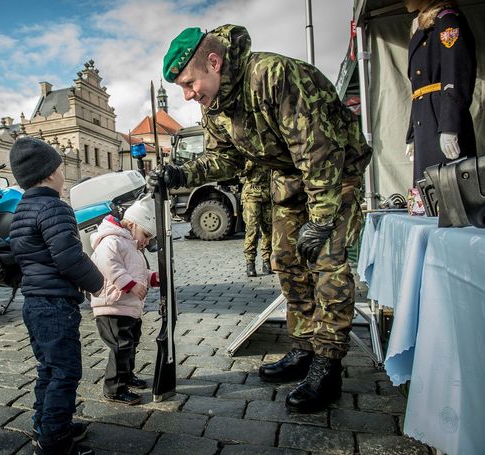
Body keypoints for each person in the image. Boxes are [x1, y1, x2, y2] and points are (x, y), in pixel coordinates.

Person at [154, 25, 372, 413]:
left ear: (214, 62)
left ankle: (328, 364)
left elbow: (317, 149)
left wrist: (321, 219)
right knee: (287, 262)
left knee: (326, 265)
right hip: (289, 180)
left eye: (189, 83)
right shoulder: (215, 106)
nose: (189, 94)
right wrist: (182, 175)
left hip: (335, 175)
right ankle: (304, 348)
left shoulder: (271, 76)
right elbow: (227, 158)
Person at [9, 137, 103, 455]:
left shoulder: (20, 211)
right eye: (62, 168)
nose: (64, 175)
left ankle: (46, 423)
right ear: (50, 173)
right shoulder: (55, 208)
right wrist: (98, 283)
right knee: (65, 371)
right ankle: (54, 441)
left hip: (33, 303)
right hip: (55, 304)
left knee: (48, 367)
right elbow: (69, 257)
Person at [89, 195, 159, 406]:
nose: (147, 242)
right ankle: (114, 388)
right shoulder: (111, 241)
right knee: (121, 346)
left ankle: (127, 376)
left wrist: (152, 278)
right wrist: (129, 285)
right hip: (111, 306)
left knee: (130, 344)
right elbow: (108, 265)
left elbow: (138, 272)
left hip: (128, 308)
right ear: (133, 224)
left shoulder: (131, 247)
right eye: (146, 235)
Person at [404, 0, 476, 184]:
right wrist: (412, 134)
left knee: (449, 188)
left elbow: (455, 74)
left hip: (441, 117)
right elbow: (418, 90)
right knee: (429, 191)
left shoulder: (447, 21)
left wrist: (450, 126)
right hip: (426, 121)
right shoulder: (423, 27)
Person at [241, 161, 273, 276]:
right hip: (251, 195)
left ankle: (267, 261)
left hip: (267, 194)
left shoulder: (268, 149)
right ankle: (250, 262)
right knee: (252, 230)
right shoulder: (248, 151)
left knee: (269, 229)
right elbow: (240, 172)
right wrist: (250, 162)